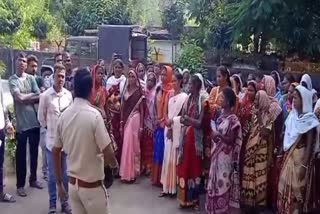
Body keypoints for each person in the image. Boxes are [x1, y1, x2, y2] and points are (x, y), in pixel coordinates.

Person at [52, 69, 118, 214]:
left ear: (74, 88)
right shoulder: (94, 116)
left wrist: (59, 184)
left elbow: (55, 151)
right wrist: (113, 166)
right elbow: (108, 151)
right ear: (90, 90)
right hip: (92, 188)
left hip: (73, 187)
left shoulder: (64, 116)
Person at [278, 85, 319, 214]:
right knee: (285, 188)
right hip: (289, 159)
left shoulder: (309, 120)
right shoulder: (292, 116)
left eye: (296, 98)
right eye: (293, 97)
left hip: (300, 162)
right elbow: (287, 137)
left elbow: (309, 145)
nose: (293, 100)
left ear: (303, 100)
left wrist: (304, 166)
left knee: (297, 192)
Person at [38, 64, 73, 214]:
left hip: (65, 144)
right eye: (58, 76)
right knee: (53, 176)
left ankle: (64, 203)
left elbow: (71, 116)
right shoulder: (45, 96)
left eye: (63, 76)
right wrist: (51, 130)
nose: (60, 79)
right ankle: (52, 204)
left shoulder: (68, 95)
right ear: (53, 77)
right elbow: (41, 118)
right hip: (52, 143)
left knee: (65, 175)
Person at [9, 52, 43, 197]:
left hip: (34, 122)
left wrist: (26, 97)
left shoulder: (31, 78)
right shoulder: (12, 79)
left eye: (24, 61)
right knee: (21, 156)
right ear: (16, 62)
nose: (22, 63)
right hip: (22, 125)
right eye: (20, 60)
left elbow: (40, 96)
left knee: (34, 154)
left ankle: (33, 179)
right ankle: (20, 185)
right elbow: (19, 98)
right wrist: (31, 96)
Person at [241, 90, 281, 212]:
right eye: (256, 99)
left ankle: (259, 205)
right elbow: (247, 131)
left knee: (259, 178)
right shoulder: (253, 113)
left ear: (263, 100)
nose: (256, 101)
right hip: (250, 149)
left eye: (258, 99)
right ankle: (248, 203)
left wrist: (259, 116)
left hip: (261, 152)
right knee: (249, 175)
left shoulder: (269, 116)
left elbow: (264, 133)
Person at [206, 87, 242, 214]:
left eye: (222, 97)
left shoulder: (233, 119)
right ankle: (214, 208)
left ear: (228, 101)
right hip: (217, 154)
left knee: (223, 182)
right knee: (214, 181)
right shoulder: (219, 115)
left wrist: (219, 135)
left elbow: (231, 140)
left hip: (225, 158)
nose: (219, 99)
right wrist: (214, 136)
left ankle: (223, 209)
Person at [177, 75, 205, 210]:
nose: (188, 86)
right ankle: (184, 199)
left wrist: (188, 119)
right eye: (188, 84)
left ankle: (195, 200)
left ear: (197, 86)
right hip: (186, 138)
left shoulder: (202, 100)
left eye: (191, 84)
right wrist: (187, 119)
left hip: (196, 141)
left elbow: (200, 123)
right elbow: (181, 118)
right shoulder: (188, 99)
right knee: (185, 167)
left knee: (195, 169)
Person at [160, 72, 188, 197]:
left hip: (176, 130)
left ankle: (173, 188)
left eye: (175, 81)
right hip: (168, 128)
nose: (173, 83)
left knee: (174, 157)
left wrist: (173, 123)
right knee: (167, 157)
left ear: (181, 82)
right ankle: (165, 187)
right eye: (172, 81)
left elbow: (183, 115)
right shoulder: (170, 96)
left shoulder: (184, 97)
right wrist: (167, 121)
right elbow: (166, 112)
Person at [26, 54, 48, 182]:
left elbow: (43, 95)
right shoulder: (25, 80)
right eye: (32, 66)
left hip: (40, 119)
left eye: (36, 66)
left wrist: (28, 97)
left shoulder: (39, 79)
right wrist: (35, 95)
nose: (34, 68)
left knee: (43, 147)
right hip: (28, 119)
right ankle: (31, 176)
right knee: (30, 151)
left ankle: (38, 175)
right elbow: (20, 98)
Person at [119, 70, 144, 183]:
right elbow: (122, 108)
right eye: (129, 76)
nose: (131, 78)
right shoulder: (125, 90)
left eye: (133, 76)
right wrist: (121, 122)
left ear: (136, 78)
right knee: (126, 145)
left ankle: (133, 173)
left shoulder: (139, 92)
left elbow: (142, 110)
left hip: (135, 119)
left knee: (134, 146)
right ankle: (125, 173)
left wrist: (142, 126)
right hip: (126, 120)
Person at [151, 65, 173, 186]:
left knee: (164, 151)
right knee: (157, 151)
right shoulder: (159, 89)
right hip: (157, 124)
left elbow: (171, 109)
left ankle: (163, 180)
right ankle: (156, 177)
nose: (163, 76)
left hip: (166, 125)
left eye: (165, 74)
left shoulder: (172, 91)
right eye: (162, 74)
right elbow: (155, 105)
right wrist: (156, 118)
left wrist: (163, 121)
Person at [106, 59, 126, 165]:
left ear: (122, 69)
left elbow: (125, 96)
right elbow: (107, 97)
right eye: (116, 67)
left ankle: (121, 164)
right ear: (113, 69)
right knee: (112, 136)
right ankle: (112, 164)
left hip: (122, 114)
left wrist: (118, 98)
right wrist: (114, 99)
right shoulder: (109, 80)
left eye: (119, 67)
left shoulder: (124, 80)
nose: (118, 69)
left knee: (120, 138)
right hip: (112, 113)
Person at [0, 76, 15, 203]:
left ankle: (0, 193)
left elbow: (2, 104)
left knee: (0, 163)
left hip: (0, 129)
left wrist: (7, 122)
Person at [238, 81, 257, 180]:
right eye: (248, 90)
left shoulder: (257, 106)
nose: (249, 92)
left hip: (251, 137)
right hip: (241, 135)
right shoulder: (243, 103)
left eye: (252, 90)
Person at [141, 72, 157, 176]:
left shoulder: (156, 93)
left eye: (152, 80)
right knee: (143, 145)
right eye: (148, 80)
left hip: (152, 123)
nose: (149, 82)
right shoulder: (143, 92)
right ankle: (143, 166)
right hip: (143, 122)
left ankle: (150, 167)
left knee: (151, 146)